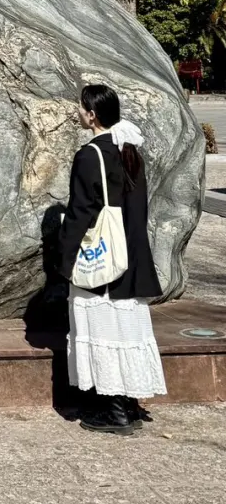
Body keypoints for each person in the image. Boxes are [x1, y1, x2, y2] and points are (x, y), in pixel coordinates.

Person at [57, 83, 166, 434]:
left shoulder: (91, 154)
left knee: (102, 328)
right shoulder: (129, 150)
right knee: (126, 329)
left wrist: (66, 256)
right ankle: (129, 402)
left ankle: (113, 410)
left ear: (91, 114)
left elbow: (81, 211)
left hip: (102, 258)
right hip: (131, 254)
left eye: (81, 107)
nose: (79, 111)